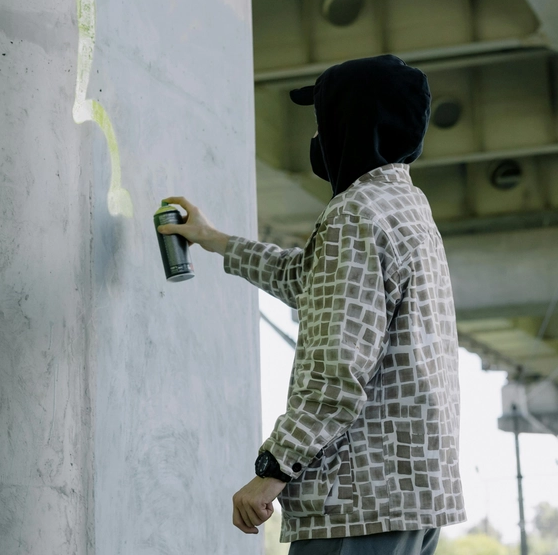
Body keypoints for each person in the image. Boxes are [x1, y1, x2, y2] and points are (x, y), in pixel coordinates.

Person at [160, 55, 465, 554]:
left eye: (323, 118)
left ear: (350, 124)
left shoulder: (356, 215)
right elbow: (307, 279)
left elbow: (337, 365)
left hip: (356, 502)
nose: (319, 138)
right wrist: (213, 239)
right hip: (412, 499)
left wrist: (274, 469)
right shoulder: (409, 208)